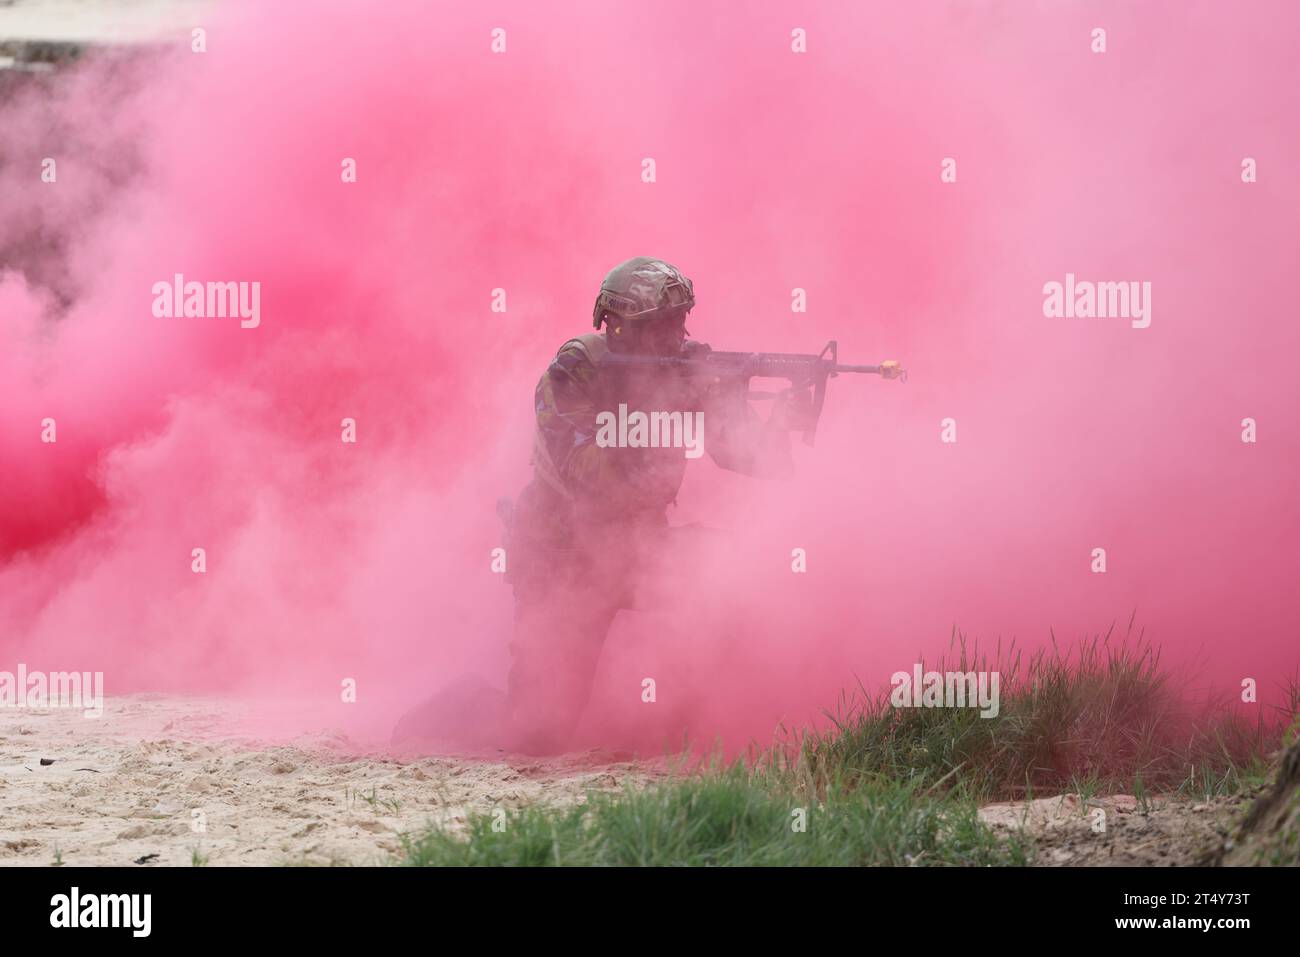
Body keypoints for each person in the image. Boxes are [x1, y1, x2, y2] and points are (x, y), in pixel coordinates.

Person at [502, 256, 801, 753]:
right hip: (563, 554)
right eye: (658, 325)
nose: (675, 336)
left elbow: (747, 456)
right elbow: (588, 473)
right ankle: (459, 710)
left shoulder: (684, 369)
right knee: (539, 732)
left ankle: (675, 728)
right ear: (616, 327)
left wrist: (771, 417)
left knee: (733, 578)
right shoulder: (577, 370)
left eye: (679, 321)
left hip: (640, 546)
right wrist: (662, 404)